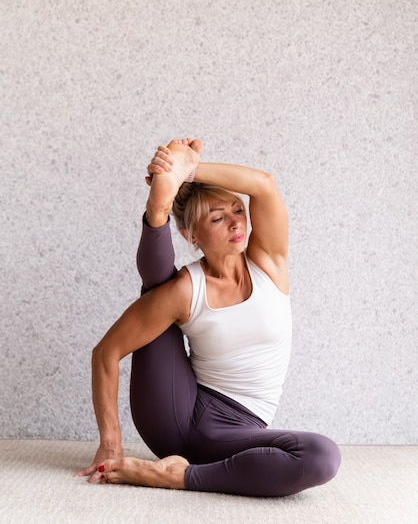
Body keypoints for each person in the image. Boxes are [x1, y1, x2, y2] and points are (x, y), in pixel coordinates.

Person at [76, 138, 340, 496]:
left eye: (236, 210)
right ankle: (158, 212)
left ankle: (176, 476)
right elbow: (105, 352)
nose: (235, 223)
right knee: (158, 288)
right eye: (217, 218)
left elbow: (264, 185)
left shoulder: (269, 264)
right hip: (176, 415)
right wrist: (110, 440)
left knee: (321, 455)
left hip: (240, 429)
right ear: (190, 235)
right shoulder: (186, 289)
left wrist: (188, 171)